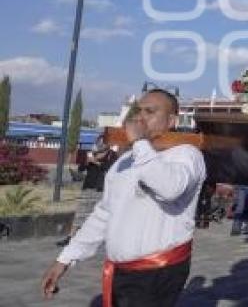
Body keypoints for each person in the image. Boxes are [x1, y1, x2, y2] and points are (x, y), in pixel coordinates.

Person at [41, 89, 206, 307]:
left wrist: (138, 143)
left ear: (172, 120)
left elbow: (170, 188)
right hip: (119, 271)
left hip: (157, 272)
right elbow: (105, 212)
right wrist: (64, 259)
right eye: (138, 111)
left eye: (150, 112)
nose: (140, 117)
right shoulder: (126, 159)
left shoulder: (186, 155)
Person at [57, 136, 118, 247]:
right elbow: (81, 169)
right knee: (80, 213)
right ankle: (71, 237)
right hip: (89, 186)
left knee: (102, 215)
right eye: (99, 142)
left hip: (102, 188)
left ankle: (107, 238)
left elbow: (110, 168)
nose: (100, 144)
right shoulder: (92, 153)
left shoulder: (112, 155)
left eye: (103, 143)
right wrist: (87, 162)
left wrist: (96, 162)